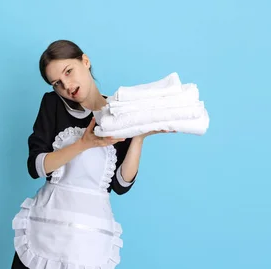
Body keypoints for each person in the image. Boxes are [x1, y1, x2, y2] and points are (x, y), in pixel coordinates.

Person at [11, 40, 169, 269]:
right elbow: (35, 167)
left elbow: (121, 184)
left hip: (87, 240)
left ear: (85, 61)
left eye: (68, 71)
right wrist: (83, 144)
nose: (66, 85)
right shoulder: (53, 104)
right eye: (57, 83)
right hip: (47, 229)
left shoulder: (120, 114)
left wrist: (139, 136)